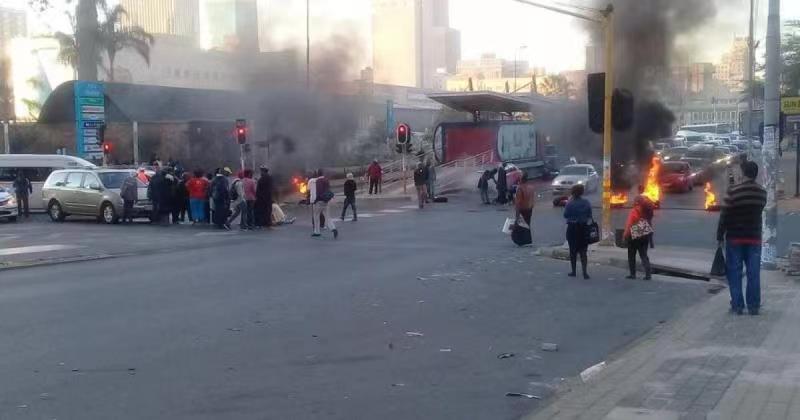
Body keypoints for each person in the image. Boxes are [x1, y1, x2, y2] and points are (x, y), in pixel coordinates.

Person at [717, 160, 767, 315]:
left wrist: (720, 235)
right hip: (754, 238)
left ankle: (737, 306)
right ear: (755, 174)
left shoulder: (733, 192)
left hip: (735, 238)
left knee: (734, 272)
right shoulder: (762, 193)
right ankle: (753, 306)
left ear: (743, 173)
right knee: (753, 273)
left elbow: (724, 215)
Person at [563, 184, 592, 279]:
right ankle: (585, 272)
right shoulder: (586, 202)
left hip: (572, 228)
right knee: (583, 251)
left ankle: (573, 271)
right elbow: (589, 215)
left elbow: (565, 215)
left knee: (573, 251)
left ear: (573, 192)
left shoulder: (570, 203)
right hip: (583, 228)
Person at [624, 195, 655, 280]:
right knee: (643, 254)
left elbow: (630, 224)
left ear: (636, 202)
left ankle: (632, 274)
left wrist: (625, 235)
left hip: (635, 233)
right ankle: (648, 274)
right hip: (645, 232)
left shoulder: (634, 211)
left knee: (631, 255)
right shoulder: (647, 211)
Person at [311, 170, 338, 238]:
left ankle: (317, 232)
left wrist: (315, 200)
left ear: (317, 174)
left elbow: (318, 192)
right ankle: (333, 228)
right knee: (327, 216)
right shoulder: (326, 180)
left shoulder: (318, 181)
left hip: (319, 201)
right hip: (326, 201)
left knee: (316, 216)